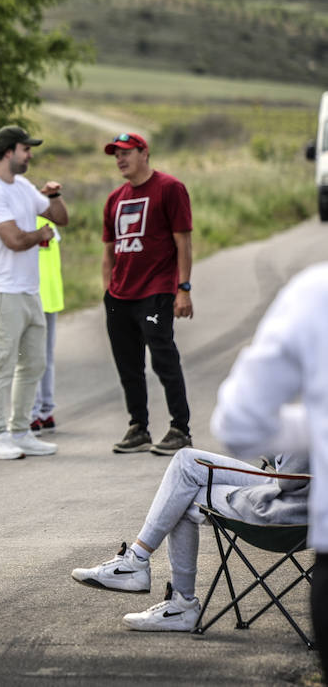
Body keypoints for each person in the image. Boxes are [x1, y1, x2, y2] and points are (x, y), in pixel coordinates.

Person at [208, 261, 328, 668]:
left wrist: (315, 423)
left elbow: (239, 425)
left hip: (305, 525)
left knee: (193, 476)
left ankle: (165, 587)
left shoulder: (316, 292)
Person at [70, 446, 308, 631]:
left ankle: (151, 577)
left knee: (186, 475)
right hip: (305, 505)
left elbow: (291, 477)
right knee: (184, 477)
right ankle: (159, 585)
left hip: (289, 509)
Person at [0, 125, 68, 460]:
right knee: (1, 363)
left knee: (34, 363)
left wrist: (53, 196)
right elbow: (13, 241)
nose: (30, 155)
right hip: (0, 292)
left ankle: (21, 431)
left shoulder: (23, 186)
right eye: (26, 149)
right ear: (9, 151)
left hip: (29, 291)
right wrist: (41, 234)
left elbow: (60, 218)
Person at [101, 132, 194, 456]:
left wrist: (183, 288)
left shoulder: (169, 188)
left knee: (163, 358)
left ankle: (180, 429)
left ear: (144, 153)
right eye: (116, 154)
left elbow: (183, 241)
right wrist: (108, 293)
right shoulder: (115, 199)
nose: (120, 159)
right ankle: (138, 427)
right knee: (128, 365)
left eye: (126, 152)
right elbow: (109, 252)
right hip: (120, 296)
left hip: (156, 290)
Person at [29, 214, 64, 433]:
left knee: (31, 358)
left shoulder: (19, 222)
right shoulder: (46, 222)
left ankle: (32, 414)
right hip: (51, 295)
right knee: (46, 357)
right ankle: (45, 411)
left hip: (33, 295)